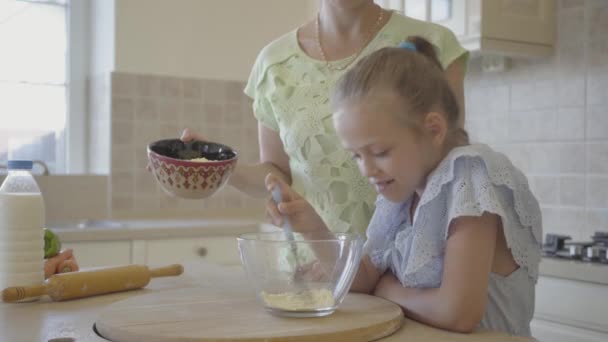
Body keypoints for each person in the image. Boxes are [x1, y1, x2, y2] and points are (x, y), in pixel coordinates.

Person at [264, 36, 542, 336]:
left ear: (433, 130)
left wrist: (386, 290)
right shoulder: (402, 195)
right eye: (357, 156)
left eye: (380, 152)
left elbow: (458, 313)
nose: (367, 170)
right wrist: (313, 228)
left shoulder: (469, 175)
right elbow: (362, 279)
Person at [182, 0, 468, 236]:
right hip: (311, 267)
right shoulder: (273, 64)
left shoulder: (434, 44)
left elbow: (448, 169)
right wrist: (219, 166)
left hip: (401, 268)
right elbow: (278, 172)